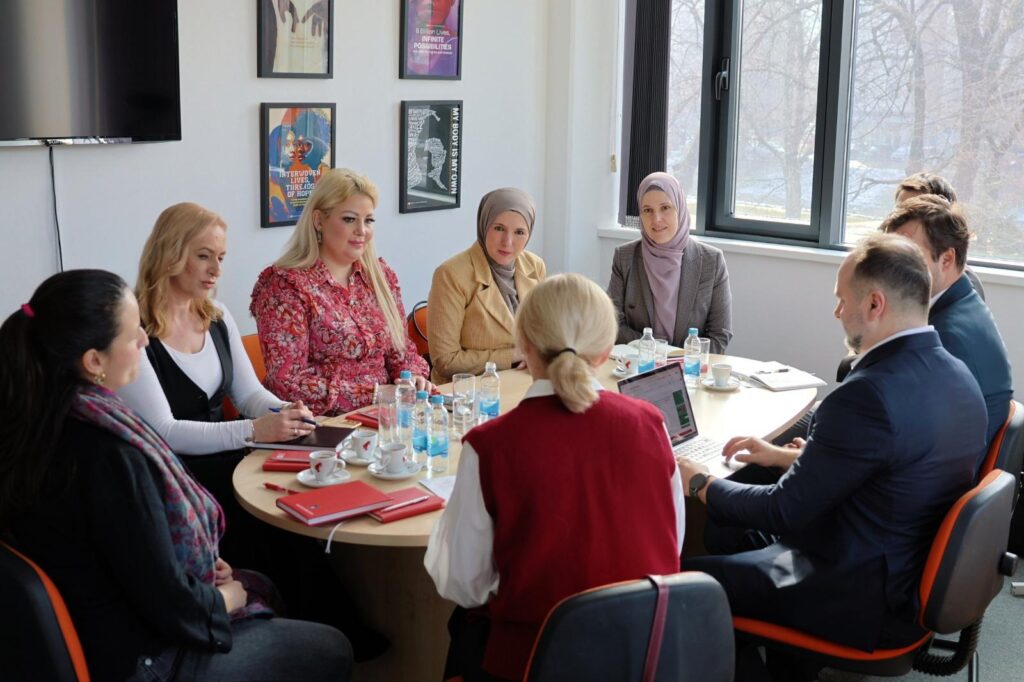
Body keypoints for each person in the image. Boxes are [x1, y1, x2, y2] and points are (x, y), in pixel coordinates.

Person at [0, 270, 351, 681]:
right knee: (332, 646)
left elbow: (129, 558)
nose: (145, 340)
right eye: (132, 334)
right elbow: (172, 604)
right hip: (141, 658)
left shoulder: (35, 423)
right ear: (94, 362)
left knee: (260, 581)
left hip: (87, 632)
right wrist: (225, 598)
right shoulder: (110, 454)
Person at [679, 235, 986, 664]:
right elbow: (891, 470)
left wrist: (699, 482)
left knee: (685, 581)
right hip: (901, 573)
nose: (837, 312)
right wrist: (793, 458)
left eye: (842, 300)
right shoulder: (960, 377)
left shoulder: (865, 396)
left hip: (855, 595)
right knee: (727, 530)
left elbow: (781, 511)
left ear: (875, 304)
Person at [425, 273, 685, 681]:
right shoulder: (651, 424)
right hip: (643, 656)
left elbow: (463, 584)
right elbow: (672, 541)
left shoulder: (489, 446)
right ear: (605, 351)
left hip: (534, 663)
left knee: (463, 626)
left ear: (523, 346)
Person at [120, 203, 315, 520]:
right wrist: (255, 430)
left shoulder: (218, 316)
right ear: (169, 254)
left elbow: (249, 395)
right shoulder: (134, 330)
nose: (216, 270)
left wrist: (285, 412)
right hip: (174, 485)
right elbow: (164, 432)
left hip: (233, 470)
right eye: (203, 256)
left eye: (220, 258)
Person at [251, 168, 431, 415]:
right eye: (349, 219)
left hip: (388, 415)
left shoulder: (380, 276)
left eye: (368, 220)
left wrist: (412, 378)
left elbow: (401, 351)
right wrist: (374, 394)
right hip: (322, 424)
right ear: (319, 221)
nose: (362, 230)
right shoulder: (285, 286)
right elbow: (287, 383)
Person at [881, 194, 1013, 453]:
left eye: (907, 255)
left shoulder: (945, 337)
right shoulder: (964, 303)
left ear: (947, 259)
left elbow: (910, 440)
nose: (889, 269)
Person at [427, 187, 547, 383]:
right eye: (499, 228)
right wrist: (514, 356)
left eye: (519, 232)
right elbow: (445, 361)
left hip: (523, 381)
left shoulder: (535, 266)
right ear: (484, 225)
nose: (507, 242)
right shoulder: (451, 274)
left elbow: (542, 334)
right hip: (468, 392)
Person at [608, 172, 732, 352]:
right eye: (647, 210)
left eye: (665, 207)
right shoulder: (624, 257)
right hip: (639, 364)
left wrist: (675, 358)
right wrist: (657, 353)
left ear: (679, 209)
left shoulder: (712, 261)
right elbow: (612, 324)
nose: (656, 219)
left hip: (691, 366)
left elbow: (719, 335)